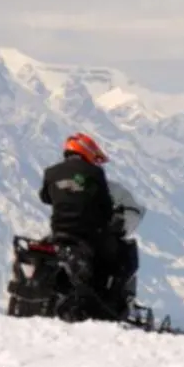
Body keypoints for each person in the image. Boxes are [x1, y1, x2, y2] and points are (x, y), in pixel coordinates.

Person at [39, 132, 132, 315]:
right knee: (123, 255)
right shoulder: (95, 173)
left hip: (58, 233)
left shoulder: (51, 172)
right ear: (87, 151)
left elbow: (45, 197)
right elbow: (105, 205)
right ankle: (110, 304)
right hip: (87, 235)